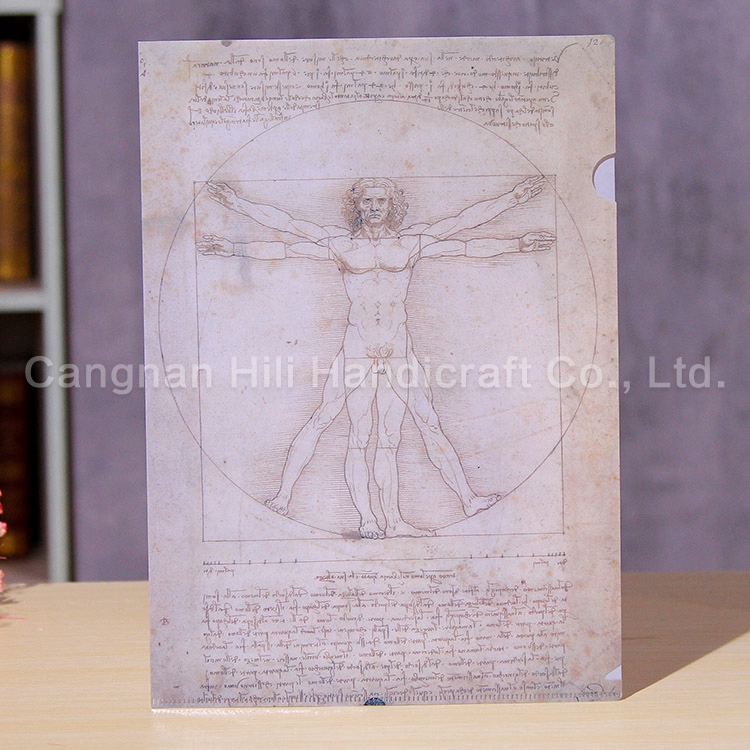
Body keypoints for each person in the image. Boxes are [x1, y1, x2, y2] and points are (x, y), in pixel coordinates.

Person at [198, 176, 554, 538]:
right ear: (356, 205)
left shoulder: (411, 243)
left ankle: (453, 504)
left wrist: (515, 220)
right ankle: (300, 500)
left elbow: (463, 235)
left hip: (398, 350)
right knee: (344, 427)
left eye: (380, 201)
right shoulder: (341, 245)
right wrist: (233, 230)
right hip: (358, 349)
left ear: (392, 205)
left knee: (410, 430)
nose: (373, 208)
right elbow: (288, 236)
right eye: (367, 201)